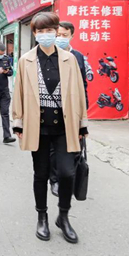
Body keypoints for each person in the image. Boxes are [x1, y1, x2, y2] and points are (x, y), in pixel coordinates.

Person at [12, 11, 88, 244]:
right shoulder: (26, 60)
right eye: (41, 31)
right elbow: (19, 93)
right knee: (41, 173)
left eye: (50, 30)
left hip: (65, 126)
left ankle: (63, 216)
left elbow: (79, 93)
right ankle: (42, 216)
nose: (45, 34)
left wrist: (82, 125)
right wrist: (18, 123)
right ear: (35, 33)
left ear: (57, 32)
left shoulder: (69, 59)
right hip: (38, 127)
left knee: (67, 173)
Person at [49, 21, 89, 197]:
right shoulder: (48, 55)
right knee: (53, 147)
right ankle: (55, 180)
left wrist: (84, 110)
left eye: (64, 35)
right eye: (57, 35)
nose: (60, 38)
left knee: (74, 145)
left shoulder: (78, 57)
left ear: (72, 36)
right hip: (53, 108)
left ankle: (69, 177)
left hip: (73, 110)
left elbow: (83, 85)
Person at [0, 43, 16, 144]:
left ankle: (7, 136)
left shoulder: (6, 59)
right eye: (0, 53)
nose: (1, 55)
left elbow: (11, 72)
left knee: (5, 113)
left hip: (4, 91)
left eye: (3, 53)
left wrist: (7, 72)